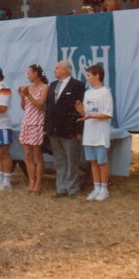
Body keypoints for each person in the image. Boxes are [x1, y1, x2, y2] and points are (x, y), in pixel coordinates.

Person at [44, 60, 86, 198]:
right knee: (59, 160)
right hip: (54, 129)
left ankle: (72, 189)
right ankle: (61, 188)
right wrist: (46, 127)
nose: (54, 70)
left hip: (70, 129)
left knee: (72, 160)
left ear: (66, 70)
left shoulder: (77, 85)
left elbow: (79, 109)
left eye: (57, 68)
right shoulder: (53, 85)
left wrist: (79, 130)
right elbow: (48, 107)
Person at [75, 64, 113, 202]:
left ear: (97, 76)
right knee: (93, 162)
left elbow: (107, 114)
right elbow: (87, 113)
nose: (88, 78)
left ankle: (104, 189)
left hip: (101, 134)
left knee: (102, 162)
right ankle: (96, 188)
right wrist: (81, 111)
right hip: (89, 134)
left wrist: (91, 116)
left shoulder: (105, 92)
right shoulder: (87, 93)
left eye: (89, 75)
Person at [18, 64, 49, 195]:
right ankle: (31, 182)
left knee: (37, 155)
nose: (28, 76)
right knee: (28, 155)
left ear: (36, 73)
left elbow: (40, 105)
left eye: (29, 73)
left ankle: (38, 184)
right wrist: (22, 96)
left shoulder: (45, 87)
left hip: (37, 123)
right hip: (27, 122)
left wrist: (28, 95)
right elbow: (25, 107)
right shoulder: (28, 87)